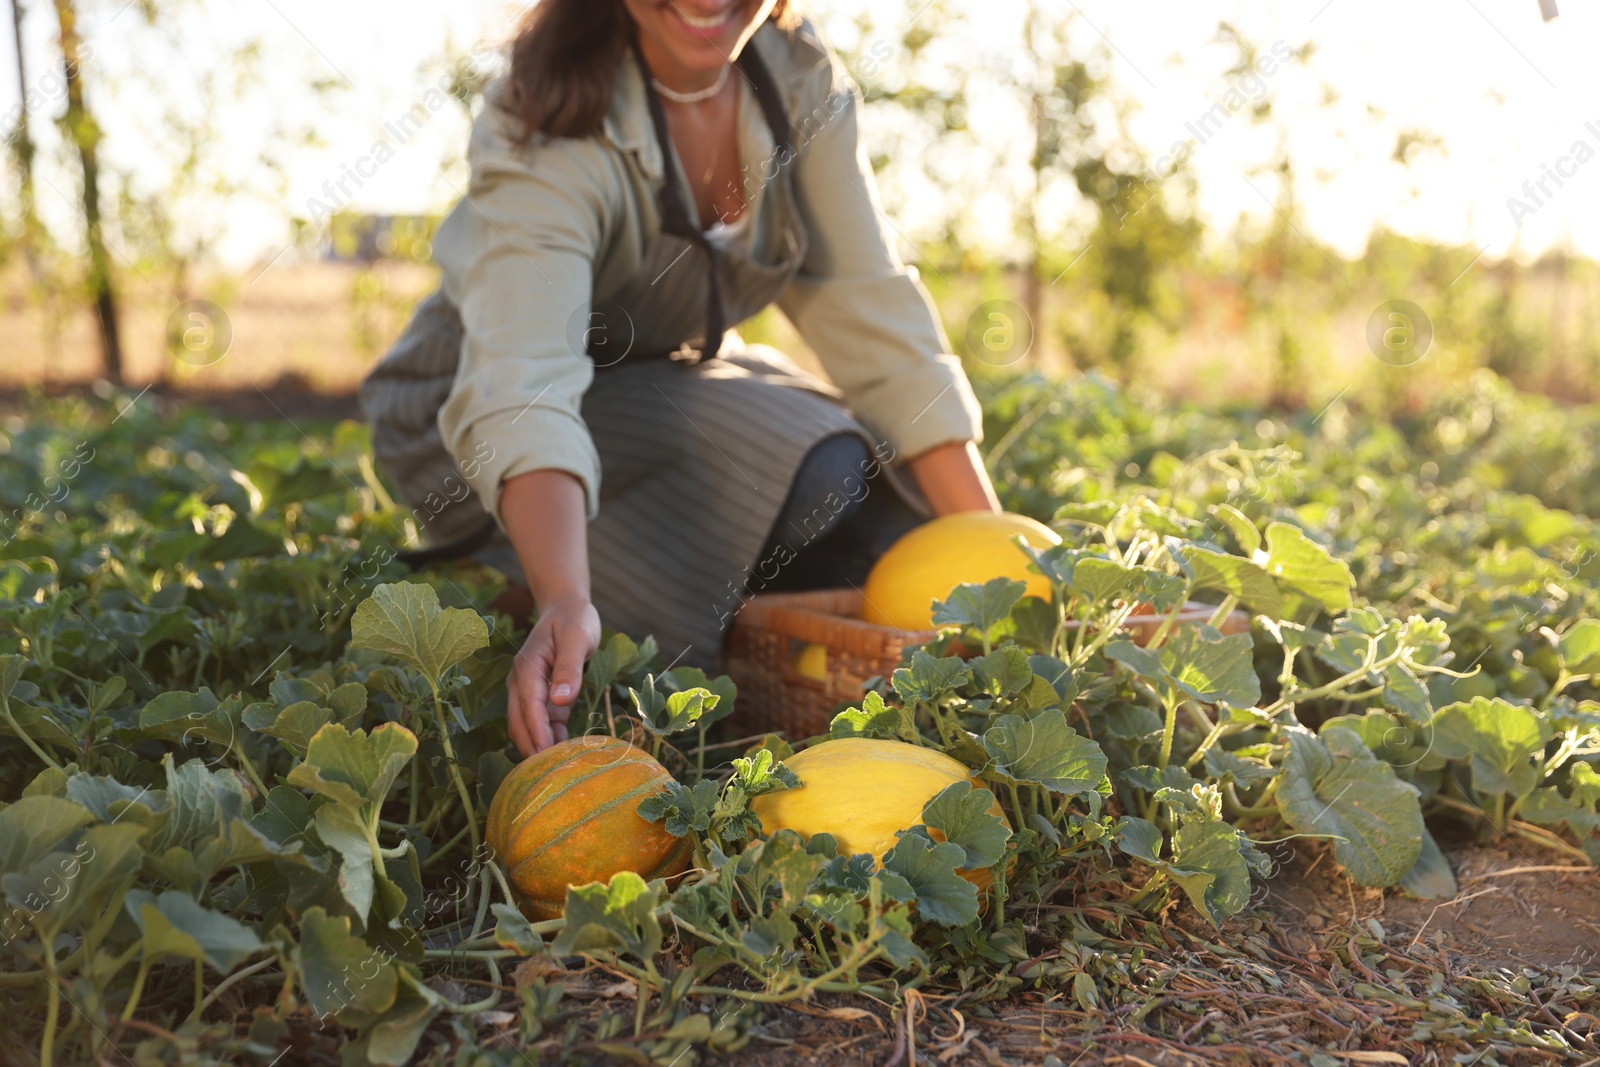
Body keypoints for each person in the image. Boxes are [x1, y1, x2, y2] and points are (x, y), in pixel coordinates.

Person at [360, 0, 998, 758]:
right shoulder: (552, 111)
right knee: (819, 470)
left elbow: (871, 311)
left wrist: (1001, 563)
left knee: (882, 507)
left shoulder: (792, 77)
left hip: (644, 384)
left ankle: (677, 601)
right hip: (470, 413)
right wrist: (566, 594)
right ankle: (525, 575)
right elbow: (522, 379)